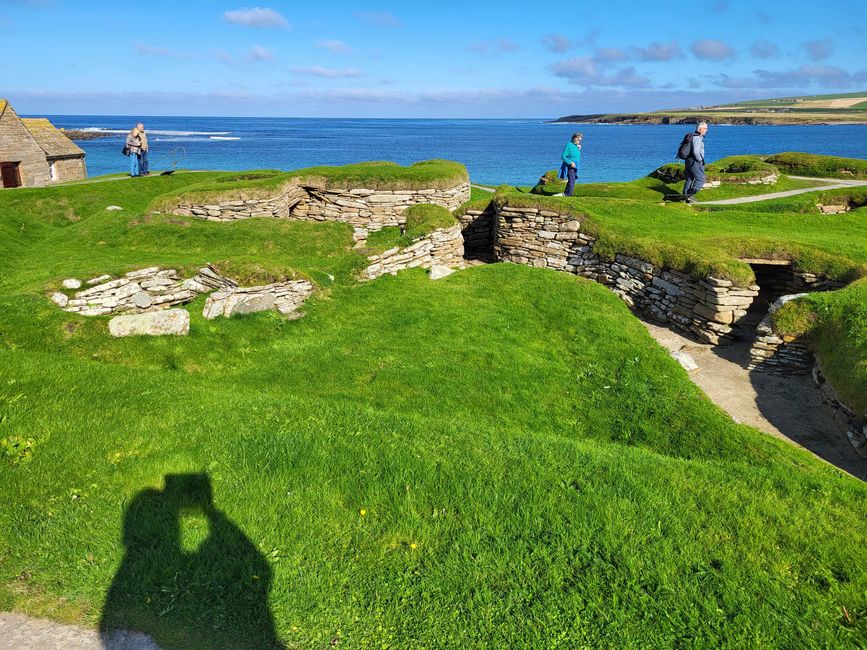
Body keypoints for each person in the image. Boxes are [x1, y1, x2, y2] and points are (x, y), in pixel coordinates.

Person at [683, 122, 708, 204]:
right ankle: (690, 194)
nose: (707, 130)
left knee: (689, 179)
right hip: (695, 161)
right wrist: (700, 160)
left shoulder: (692, 136)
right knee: (701, 178)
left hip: (688, 161)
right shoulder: (697, 137)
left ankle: (686, 198)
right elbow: (696, 151)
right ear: (700, 129)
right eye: (705, 128)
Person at [559, 132, 582, 197]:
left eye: (580, 140)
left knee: (573, 180)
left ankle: (566, 193)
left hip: (576, 166)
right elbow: (563, 156)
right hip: (570, 166)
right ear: (574, 138)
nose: (578, 142)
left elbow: (576, 155)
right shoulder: (569, 145)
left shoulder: (576, 146)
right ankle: (568, 194)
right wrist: (570, 162)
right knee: (572, 180)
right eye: (578, 140)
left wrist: (579, 149)